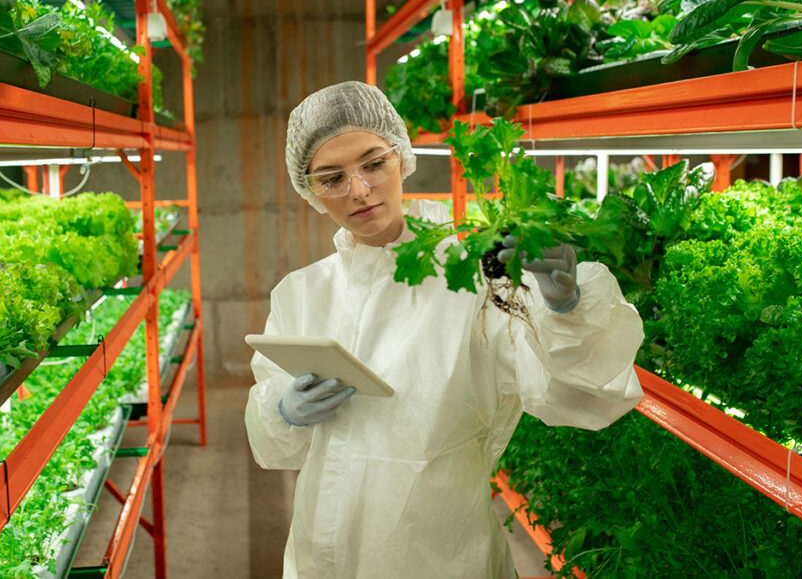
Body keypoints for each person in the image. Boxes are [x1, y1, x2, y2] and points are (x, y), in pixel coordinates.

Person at [245, 81, 644, 578]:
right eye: (331, 178)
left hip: (444, 552)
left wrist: (568, 309)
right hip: (322, 552)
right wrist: (283, 412)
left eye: (373, 163)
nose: (359, 191)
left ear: (402, 158)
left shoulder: (474, 279)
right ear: (309, 189)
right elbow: (271, 443)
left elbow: (578, 394)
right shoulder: (301, 295)